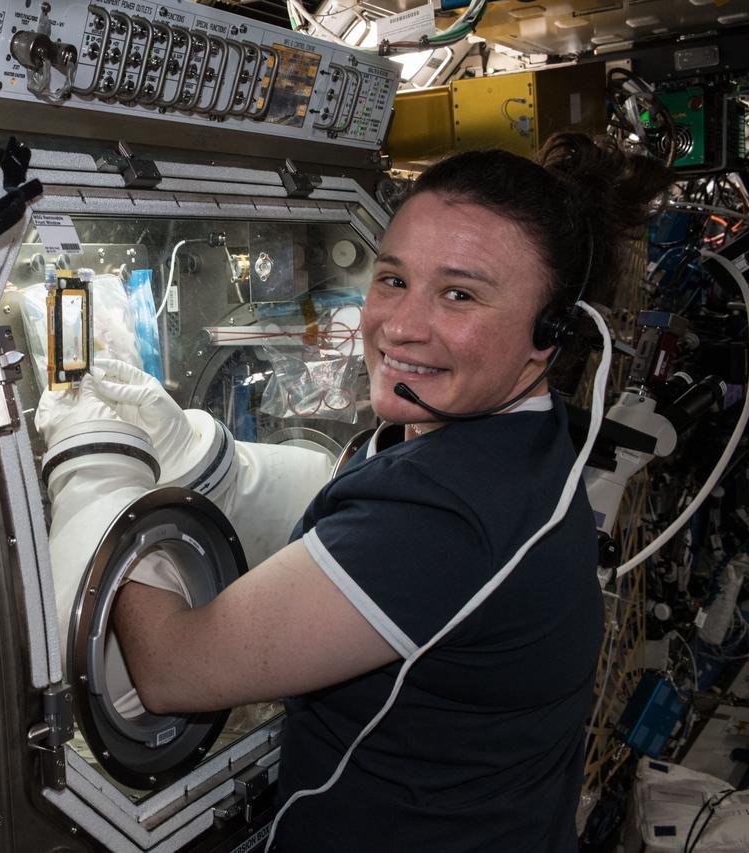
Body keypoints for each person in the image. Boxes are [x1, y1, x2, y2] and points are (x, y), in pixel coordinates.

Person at [94, 133, 673, 851]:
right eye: (393, 278)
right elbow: (343, 504)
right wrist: (197, 450)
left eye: (458, 294)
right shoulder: (514, 439)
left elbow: (169, 669)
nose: (398, 325)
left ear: (548, 335)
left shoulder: (446, 516)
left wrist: (97, 469)